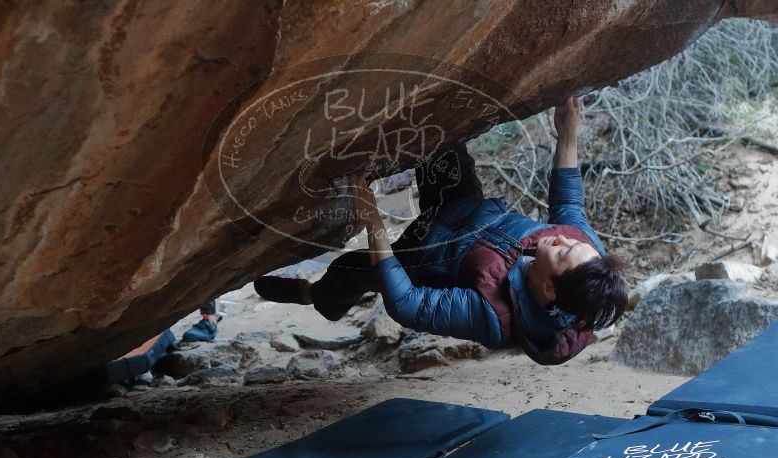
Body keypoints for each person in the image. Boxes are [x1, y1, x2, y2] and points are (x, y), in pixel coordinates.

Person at [254, 97, 629, 365]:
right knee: (436, 131)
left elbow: (407, 305)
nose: (564, 239)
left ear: (549, 288)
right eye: (573, 242)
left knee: (352, 270)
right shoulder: (586, 255)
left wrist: (373, 221)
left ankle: (313, 296)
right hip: (463, 207)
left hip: (420, 257)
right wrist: (567, 131)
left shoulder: (494, 317)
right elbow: (569, 207)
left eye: (562, 253)